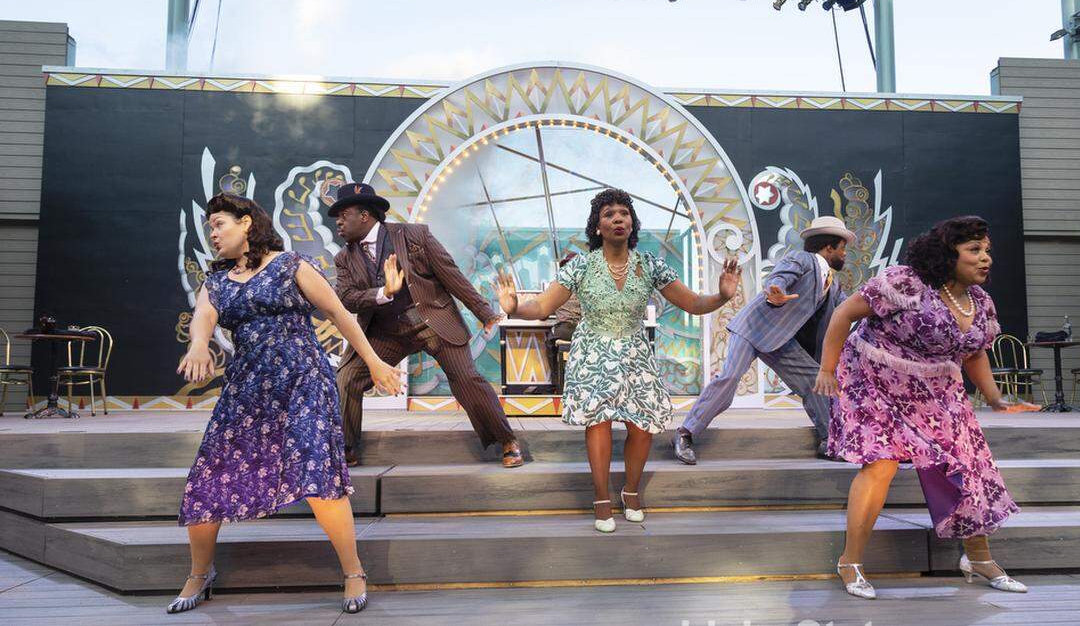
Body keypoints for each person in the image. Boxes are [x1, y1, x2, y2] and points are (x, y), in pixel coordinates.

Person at [174, 193, 403, 615]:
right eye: (209, 227)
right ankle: (199, 574)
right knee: (209, 477)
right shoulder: (217, 280)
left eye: (219, 224)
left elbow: (339, 313)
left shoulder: (289, 264)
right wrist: (199, 345)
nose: (213, 233)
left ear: (246, 223)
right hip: (247, 389)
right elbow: (204, 317)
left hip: (302, 381)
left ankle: (353, 572)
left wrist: (373, 362)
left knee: (317, 472)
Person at [813, 215, 1039, 600]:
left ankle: (979, 559)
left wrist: (996, 398)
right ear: (948, 254)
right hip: (875, 377)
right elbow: (844, 315)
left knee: (967, 465)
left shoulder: (980, 302)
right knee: (881, 464)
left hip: (936, 387)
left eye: (987, 251)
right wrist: (827, 369)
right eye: (974, 250)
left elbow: (973, 354)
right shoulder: (905, 282)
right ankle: (850, 562)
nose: (985, 258)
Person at [495, 188, 741, 532]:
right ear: (597, 226)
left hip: (635, 353)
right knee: (598, 424)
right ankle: (601, 498)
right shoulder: (581, 266)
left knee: (642, 427)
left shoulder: (650, 264)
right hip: (594, 351)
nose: (617, 218)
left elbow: (694, 304)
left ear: (632, 223)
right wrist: (514, 307)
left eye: (624, 213)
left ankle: (630, 490)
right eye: (609, 214)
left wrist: (722, 296)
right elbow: (541, 308)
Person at [330, 183, 523, 468]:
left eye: (343, 214)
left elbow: (450, 274)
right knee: (347, 377)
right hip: (386, 332)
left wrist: (485, 312)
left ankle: (506, 440)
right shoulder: (344, 258)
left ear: (365, 215)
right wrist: (384, 293)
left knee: (467, 379)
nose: (338, 222)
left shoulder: (413, 235)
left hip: (434, 321)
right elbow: (347, 299)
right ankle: (346, 450)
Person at [673, 216, 854, 463]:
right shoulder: (803, 259)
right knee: (729, 378)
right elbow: (779, 277)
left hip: (781, 339)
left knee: (815, 380)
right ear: (829, 247)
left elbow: (849, 309)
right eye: (843, 248)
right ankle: (685, 433)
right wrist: (775, 293)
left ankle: (829, 440)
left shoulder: (833, 285)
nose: (845, 254)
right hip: (754, 328)